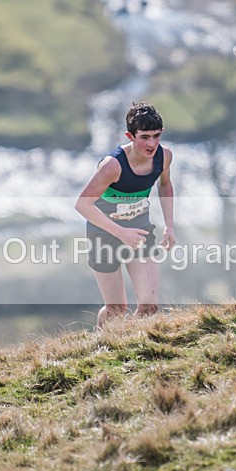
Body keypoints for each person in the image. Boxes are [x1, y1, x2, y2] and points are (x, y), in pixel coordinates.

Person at [75, 102, 175, 327]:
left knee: (149, 306)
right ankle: (104, 345)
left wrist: (169, 225)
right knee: (117, 310)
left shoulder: (164, 156)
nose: (151, 144)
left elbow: (165, 186)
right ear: (130, 136)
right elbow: (82, 205)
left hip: (140, 232)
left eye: (156, 136)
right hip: (104, 234)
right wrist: (121, 233)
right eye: (145, 137)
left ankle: (134, 350)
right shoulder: (113, 165)